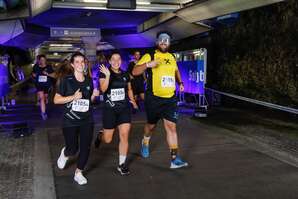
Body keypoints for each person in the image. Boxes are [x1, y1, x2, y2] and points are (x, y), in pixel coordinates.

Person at [132, 31, 188, 169]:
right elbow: (134, 71)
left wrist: (180, 82)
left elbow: (175, 71)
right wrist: (148, 65)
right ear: (157, 42)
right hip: (154, 99)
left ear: (169, 42)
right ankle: (145, 141)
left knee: (171, 127)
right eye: (161, 40)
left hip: (170, 99)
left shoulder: (172, 56)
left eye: (166, 40)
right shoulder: (150, 55)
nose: (164, 42)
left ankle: (174, 159)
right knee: (151, 126)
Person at [54, 52, 100, 185]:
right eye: (77, 62)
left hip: (87, 119)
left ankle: (78, 172)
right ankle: (65, 153)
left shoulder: (89, 80)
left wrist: (94, 95)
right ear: (73, 64)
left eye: (82, 61)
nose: (81, 64)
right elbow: (56, 100)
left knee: (85, 147)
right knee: (73, 149)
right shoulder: (66, 80)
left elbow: (88, 101)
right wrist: (73, 97)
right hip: (70, 121)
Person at [94, 51, 138, 175]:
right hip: (110, 110)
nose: (116, 61)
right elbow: (103, 89)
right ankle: (101, 135)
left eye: (118, 59)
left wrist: (133, 101)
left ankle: (121, 164)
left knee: (124, 135)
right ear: (109, 61)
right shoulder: (104, 72)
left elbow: (129, 89)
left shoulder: (125, 74)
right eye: (113, 59)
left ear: (121, 61)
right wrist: (108, 76)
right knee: (108, 140)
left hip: (124, 108)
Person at [31, 55, 55, 120]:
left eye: (43, 60)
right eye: (41, 60)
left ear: (45, 60)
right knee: (42, 98)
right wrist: (34, 75)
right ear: (39, 60)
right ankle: (43, 113)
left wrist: (47, 74)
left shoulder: (49, 67)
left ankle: (43, 102)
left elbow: (54, 75)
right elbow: (33, 74)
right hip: (39, 85)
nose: (42, 61)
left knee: (45, 98)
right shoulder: (36, 67)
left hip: (47, 85)